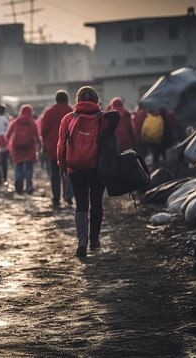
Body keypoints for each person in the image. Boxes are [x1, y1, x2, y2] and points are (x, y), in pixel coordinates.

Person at [57, 86, 112, 258]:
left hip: (76, 167)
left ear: (78, 100)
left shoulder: (68, 118)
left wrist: (62, 165)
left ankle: (82, 242)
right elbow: (110, 143)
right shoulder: (103, 118)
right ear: (96, 100)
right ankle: (94, 239)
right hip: (97, 168)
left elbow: (61, 144)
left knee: (81, 204)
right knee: (96, 203)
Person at [40, 90, 74, 207]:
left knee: (55, 174)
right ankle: (68, 195)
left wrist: (45, 144)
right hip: (68, 148)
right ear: (66, 99)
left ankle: (56, 198)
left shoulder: (49, 112)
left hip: (53, 147)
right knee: (68, 172)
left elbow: (43, 130)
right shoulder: (71, 112)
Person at [6, 105, 41, 194]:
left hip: (17, 149)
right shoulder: (32, 123)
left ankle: (19, 182)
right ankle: (29, 185)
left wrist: (9, 145)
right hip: (30, 148)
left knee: (19, 166)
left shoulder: (15, 122)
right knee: (29, 167)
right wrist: (40, 146)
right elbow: (37, 137)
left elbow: (8, 135)